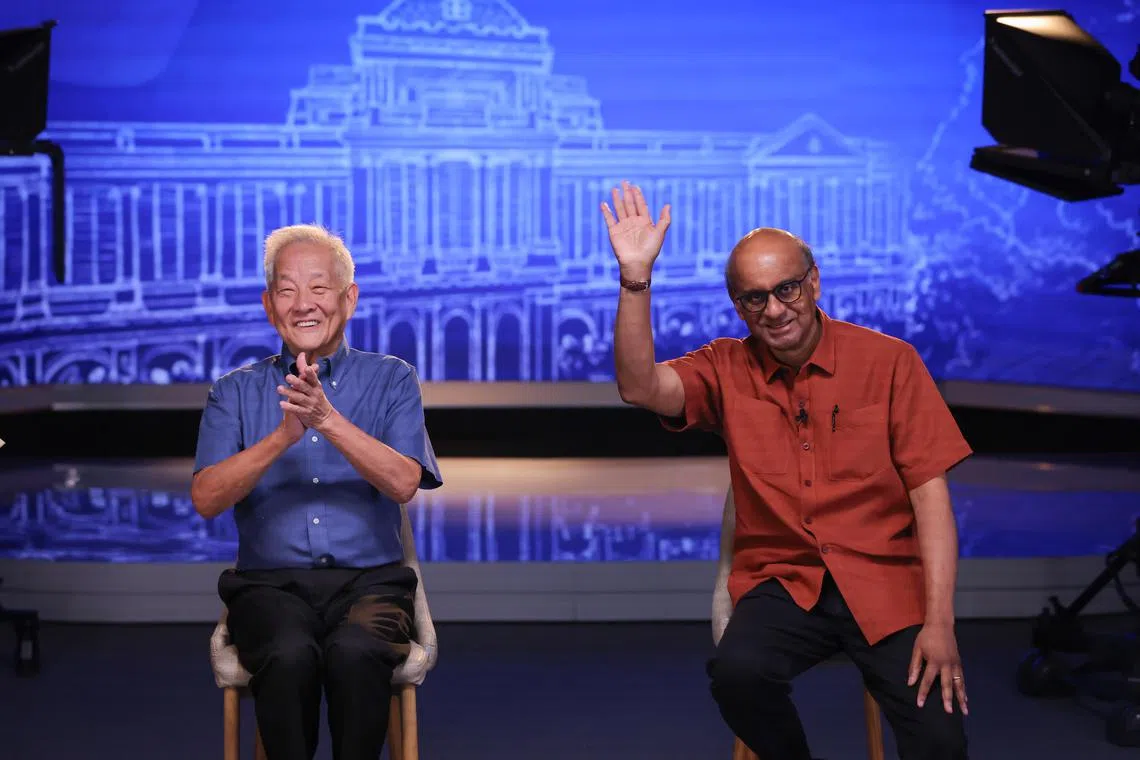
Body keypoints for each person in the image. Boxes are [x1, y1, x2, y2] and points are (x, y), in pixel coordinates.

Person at [601, 181, 971, 760]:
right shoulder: (724, 367)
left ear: (813, 282)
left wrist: (941, 622)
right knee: (736, 676)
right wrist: (635, 278)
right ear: (738, 306)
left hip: (886, 586)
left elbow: (931, 499)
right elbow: (639, 386)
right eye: (754, 299)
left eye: (787, 289)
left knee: (942, 742)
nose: (773, 310)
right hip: (785, 584)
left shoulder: (890, 362)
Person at [191, 223, 443, 760]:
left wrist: (326, 421)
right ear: (268, 305)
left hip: (372, 585)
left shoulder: (392, 380)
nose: (302, 304)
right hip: (268, 590)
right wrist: (282, 437)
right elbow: (207, 498)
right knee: (289, 654)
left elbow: (404, 483)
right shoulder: (233, 392)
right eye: (286, 290)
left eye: (319, 288)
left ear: (349, 299)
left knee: (354, 653)